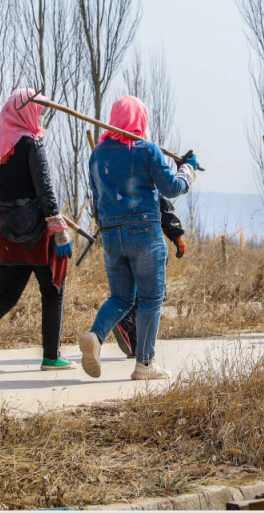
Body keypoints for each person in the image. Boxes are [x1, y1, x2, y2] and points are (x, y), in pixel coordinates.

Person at [78, 96, 197, 381]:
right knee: (150, 299)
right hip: (144, 233)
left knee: (120, 297)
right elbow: (171, 188)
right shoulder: (147, 150)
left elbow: (97, 197)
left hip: (111, 234)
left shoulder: (97, 154)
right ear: (140, 119)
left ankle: (95, 336)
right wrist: (188, 170)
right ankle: (144, 364)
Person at [0, 88, 76, 374]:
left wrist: (1, 187)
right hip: (36, 232)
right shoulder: (32, 145)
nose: (41, 117)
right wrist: (58, 227)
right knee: (53, 290)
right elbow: (45, 190)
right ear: (28, 112)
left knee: (7, 294)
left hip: (8, 231)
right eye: (39, 111)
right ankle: (52, 357)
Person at [110, 196, 187, 358]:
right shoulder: (146, 184)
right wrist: (177, 236)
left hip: (118, 242)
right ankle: (125, 321)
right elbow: (163, 206)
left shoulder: (113, 186)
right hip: (148, 242)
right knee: (152, 295)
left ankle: (135, 345)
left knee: (132, 290)